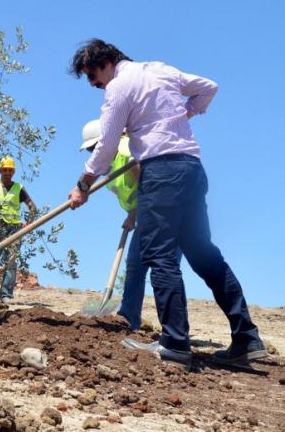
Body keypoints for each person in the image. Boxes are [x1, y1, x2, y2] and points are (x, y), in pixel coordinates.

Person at [68, 38, 267, 366]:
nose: (94, 84)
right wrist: (181, 115)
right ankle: (247, 337)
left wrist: (83, 184)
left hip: (161, 173)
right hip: (191, 169)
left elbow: (105, 147)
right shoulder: (161, 70)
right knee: (205, 256)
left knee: (159, 256)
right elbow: (209, 88)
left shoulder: (118, 88)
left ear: (103, 62)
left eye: (92, 76)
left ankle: (174, 342)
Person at [80, 119, 181, 331]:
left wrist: (134, 214)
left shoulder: (126, 152)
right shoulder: (114, 163)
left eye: (93, 148)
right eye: (90, 150)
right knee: (137, 266)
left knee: (165, 267)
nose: (93, 153)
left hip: (165, 213)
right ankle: (129, 319)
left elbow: (149, 186)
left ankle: (174, 333)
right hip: (148, 215)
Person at [0, 156, 38, 304]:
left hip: (14, 229)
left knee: (10, 263)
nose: (7, 173)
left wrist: (28, 224)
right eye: (5, 170)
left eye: (10, 170)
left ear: (14, 172)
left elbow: (33, 207)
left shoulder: (19, 188)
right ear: (0, 170)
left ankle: (6, 295)